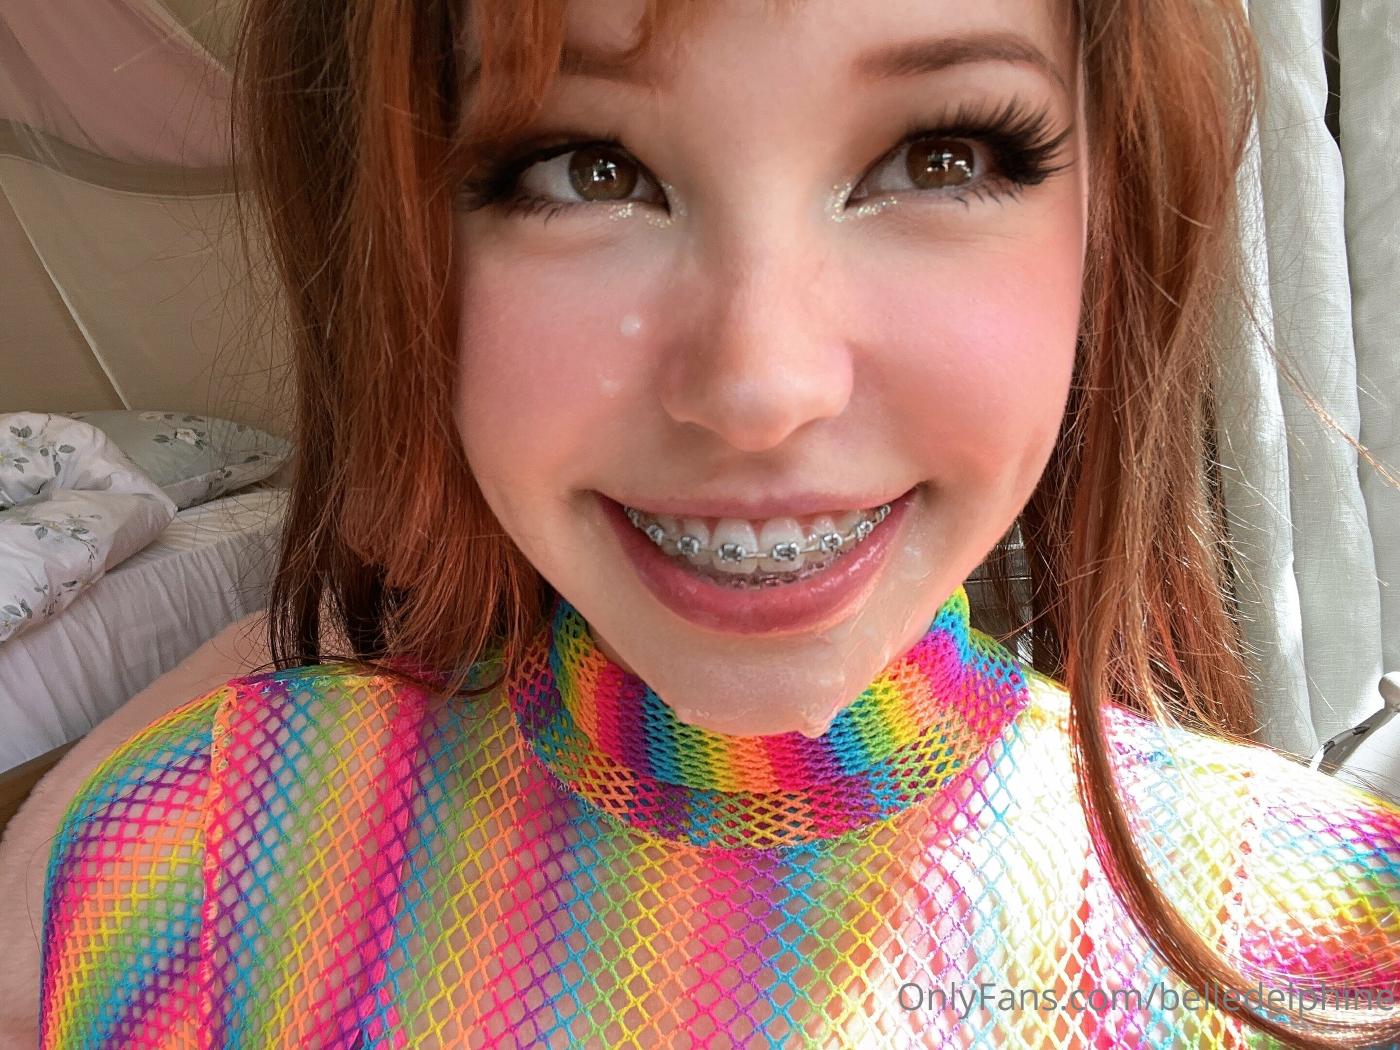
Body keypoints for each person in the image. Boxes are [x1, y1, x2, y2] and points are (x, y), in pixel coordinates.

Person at [27, 0, 1400, 1046]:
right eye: (585, 168)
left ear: (1113, 212)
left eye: (939, 156)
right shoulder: (190, 858)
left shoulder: (1325, 936)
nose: (761, 389)